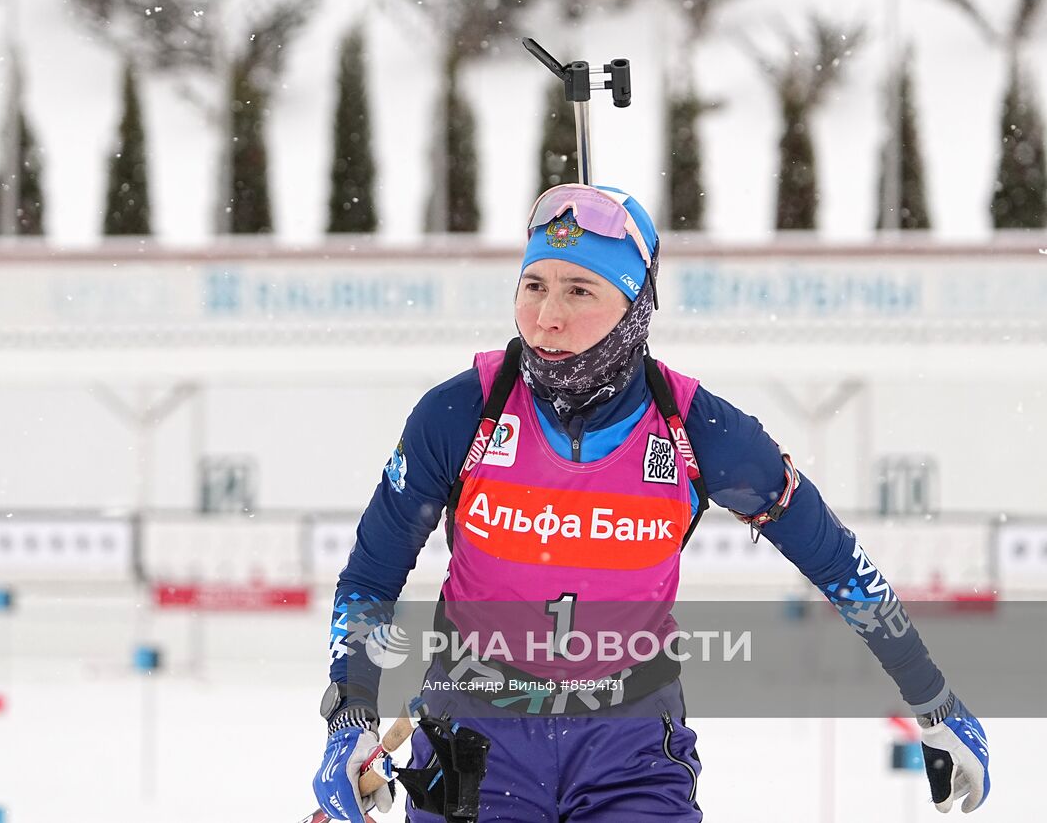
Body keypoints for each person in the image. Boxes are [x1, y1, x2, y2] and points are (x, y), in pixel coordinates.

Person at [310, 183, 991, 822]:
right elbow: (372, 577)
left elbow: (837, 562)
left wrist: (931, 696)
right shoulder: (461, 413)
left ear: (635, 307)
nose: (548, 316)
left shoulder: (697, 431)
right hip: (475, 747)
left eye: (581, 290)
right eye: (534, 285)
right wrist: (352, 717)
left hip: (630, 752)